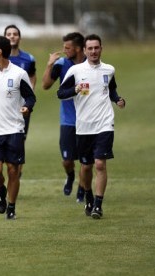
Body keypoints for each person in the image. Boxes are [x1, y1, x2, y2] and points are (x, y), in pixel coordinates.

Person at [57, 34, 125, 219]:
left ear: (101, 49)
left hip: (105, 123)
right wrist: (74, 90)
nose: (94, 51)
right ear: (85, 50)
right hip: (84, 126)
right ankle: (87, 195)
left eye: (97, 48)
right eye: (90, 48)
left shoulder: (109, 69)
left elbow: (111, 89)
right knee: (86, 167)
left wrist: (117, 99)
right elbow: (60, 93)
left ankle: (98, 205)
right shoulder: (76, 71)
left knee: (100, 164)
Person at [0, 36, 36, 220]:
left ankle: (11, 207)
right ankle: (0, 189)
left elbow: (31, 97)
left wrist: (27, 107)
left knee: (13, 170)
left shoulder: (19, 73)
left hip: (14, 130)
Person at [42, 32, 86, 201]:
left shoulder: (89, 65)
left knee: (85, 161)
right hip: (68, 121)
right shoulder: (61, 64)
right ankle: (70, 176)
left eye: (67, 48)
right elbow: (45, 85)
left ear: (78, 48)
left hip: (87, 121)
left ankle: (82, 189)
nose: (64, 50)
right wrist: (49, 65)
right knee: (67, 160)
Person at [4, 24, 37, 179]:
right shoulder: (0, 59)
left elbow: (32, 76)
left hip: (22, 108)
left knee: (20, 139)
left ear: (19, 37)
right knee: (2, 140)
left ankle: (17, 172)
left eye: (15, 34)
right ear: (4, 38)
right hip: (4, 107)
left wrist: (30, 93)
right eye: (9, 34)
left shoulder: (28, 59)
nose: (12, 36)